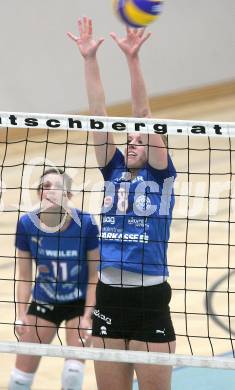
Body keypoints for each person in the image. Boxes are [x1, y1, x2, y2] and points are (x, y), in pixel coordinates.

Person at [68, 17, 176, 390]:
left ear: (154, 147)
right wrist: (89, 60)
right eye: (128, 139)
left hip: (150, 299)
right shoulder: (112, 170)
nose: (131, 142)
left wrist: (132, 59)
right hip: (109, 297)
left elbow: (144, 116)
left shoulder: (161, 176)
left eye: (139, 140)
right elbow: (98, 118)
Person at [8, 168, 99, 390]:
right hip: (45, 300)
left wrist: (88, 315)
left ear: (68, 195)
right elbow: (24, 277)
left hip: (78, 304)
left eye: (55, 186)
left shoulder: (85, 223)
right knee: (18, 380)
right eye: (44, 186)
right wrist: (21, 315)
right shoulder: (27, 224)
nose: (48, 191)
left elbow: (95, 276)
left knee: (73, 374)